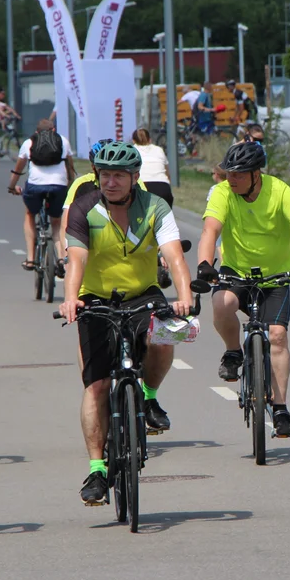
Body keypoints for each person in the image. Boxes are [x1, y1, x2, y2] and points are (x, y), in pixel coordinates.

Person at [58, 141, 194, 506]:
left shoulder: (155, 206)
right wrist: (71, 298)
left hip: (143, 293)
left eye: (119, 175)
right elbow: (77, 260)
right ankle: (98, 468)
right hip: (96, 298)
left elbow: (174, 256)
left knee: (165, 337)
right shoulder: (85, 209)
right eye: (105, 175)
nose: (111, 182)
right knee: (97, 386)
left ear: (135, 177)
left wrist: (185, 294)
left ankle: (148, 397)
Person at [197, 141, 290, 437]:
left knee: (277, 336)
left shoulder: (277, 190)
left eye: (239, 174)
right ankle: (233, 352)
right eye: (229, 173)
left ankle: (280, 409)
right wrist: (204, 264)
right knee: (222, 303)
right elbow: (210, 229)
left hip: (274, 276)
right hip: (235, 272)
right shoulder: (224, 192)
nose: (231, 179)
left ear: (256, 174)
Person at [7, 119, 75, 275]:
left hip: (35, 187)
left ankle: (30, 258)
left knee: (30, 214)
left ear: (36, 132)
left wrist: (12, 187)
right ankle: (60, 258)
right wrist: (69, 186)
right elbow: (70, 168)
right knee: (56, 222)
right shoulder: (63, 141)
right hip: (59, 186)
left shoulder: (28, 143)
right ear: (54, 130)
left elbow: (18, 170)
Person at [131, 127, 172, 206]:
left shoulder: (133, 151)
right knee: (165, 216)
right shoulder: (159, 150)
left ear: (133, 141)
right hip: (163, 187)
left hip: (142, 187)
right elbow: (167, 173)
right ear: (150, 139)